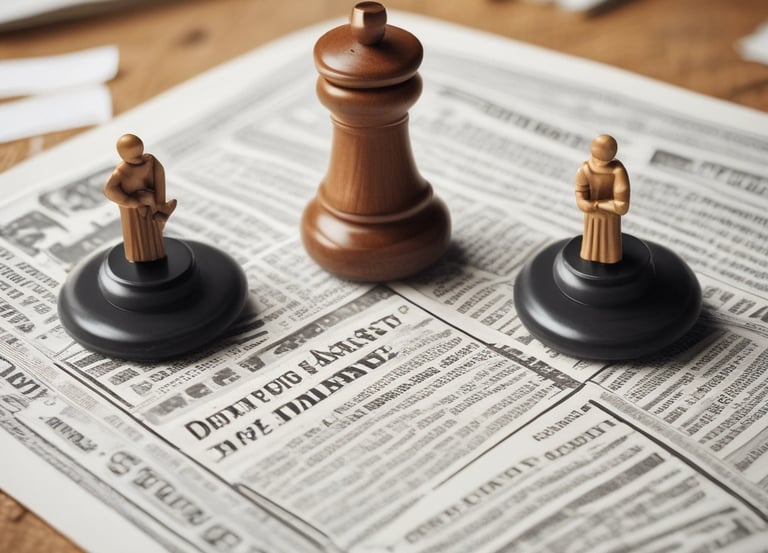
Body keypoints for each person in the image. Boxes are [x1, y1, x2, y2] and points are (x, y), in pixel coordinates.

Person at [103, 134, 176, 262]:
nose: (138, 161)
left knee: (154, 230)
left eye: (138, 154)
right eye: (134, 156)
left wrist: (159, 201)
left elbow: (159, 176)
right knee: (138, 238)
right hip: (133, 210)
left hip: (150, 202)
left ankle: (161, 219)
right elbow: (109, 190)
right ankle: (138, 257)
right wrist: (130, 202)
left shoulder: (150, 161)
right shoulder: (121, 171)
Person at [574, 134, 630, 264]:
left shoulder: (618, 171)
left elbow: (622, 207)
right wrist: (586, 204)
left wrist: (595, 205)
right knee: (589, 248)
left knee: (610, 249)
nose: (598, 164)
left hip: (610, 219)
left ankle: (610, 259)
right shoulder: (584, 169)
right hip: (592, 217)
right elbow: (580, 196)